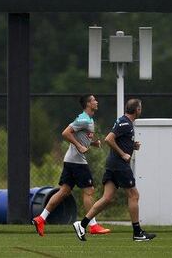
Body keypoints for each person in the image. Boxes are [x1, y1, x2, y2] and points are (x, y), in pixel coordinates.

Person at [72, 99, 156, 242]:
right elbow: (109, 139)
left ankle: (82, 224)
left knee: (107, 198)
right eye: (140, 108)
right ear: (137, 110)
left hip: (113, 165)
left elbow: (117, 139)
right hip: (119, 165)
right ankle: (137, 233)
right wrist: (123, 154)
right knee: (134, 195)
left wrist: (131, 145)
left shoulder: (125, 122)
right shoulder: (125, 123)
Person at [32, 94, 111, 237]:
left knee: (64, 192)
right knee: (89, 191)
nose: (97, 102)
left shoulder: (88, 119)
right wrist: (80, 146)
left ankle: (41, 218)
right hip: (77, 162)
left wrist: (92, 143)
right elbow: (65, 133)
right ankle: (92, 225)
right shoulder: (83, 119)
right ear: (88, 104)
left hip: (70, 160)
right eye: (94, 100)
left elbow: (80, 136)